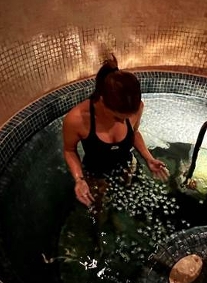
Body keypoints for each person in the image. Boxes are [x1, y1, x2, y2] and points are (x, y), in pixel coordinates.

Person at [63, 55, 169, 207]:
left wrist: (148, 158)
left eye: (127, 117)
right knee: (97, 212)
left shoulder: (136, 107)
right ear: (102, 101)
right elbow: (69, 150)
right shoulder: (76, 119)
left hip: (127, 167)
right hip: (95, 174)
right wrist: (79, 179)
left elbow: (134, 133)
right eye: (117, 118)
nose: (122, 122)